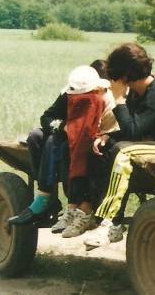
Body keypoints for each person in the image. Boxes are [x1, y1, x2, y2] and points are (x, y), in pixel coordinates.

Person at [77, 43, 155, 247]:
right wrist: (107, 136)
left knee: (122, 152)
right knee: (103, 148)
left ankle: (111, 224)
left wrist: (117, 98)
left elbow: (133, 131)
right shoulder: (136, 92)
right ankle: (93, 211)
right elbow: (130, 129)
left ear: (123, 76)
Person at [9, 61, 116, 235]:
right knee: (37, 137)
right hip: (66, 132)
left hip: (91, 138)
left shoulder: (105, 100)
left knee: (62, 145)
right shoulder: (68, 94)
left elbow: (109, 128)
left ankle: (72, 205)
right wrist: (64, 127)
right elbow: (47, 117)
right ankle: (46, 194)